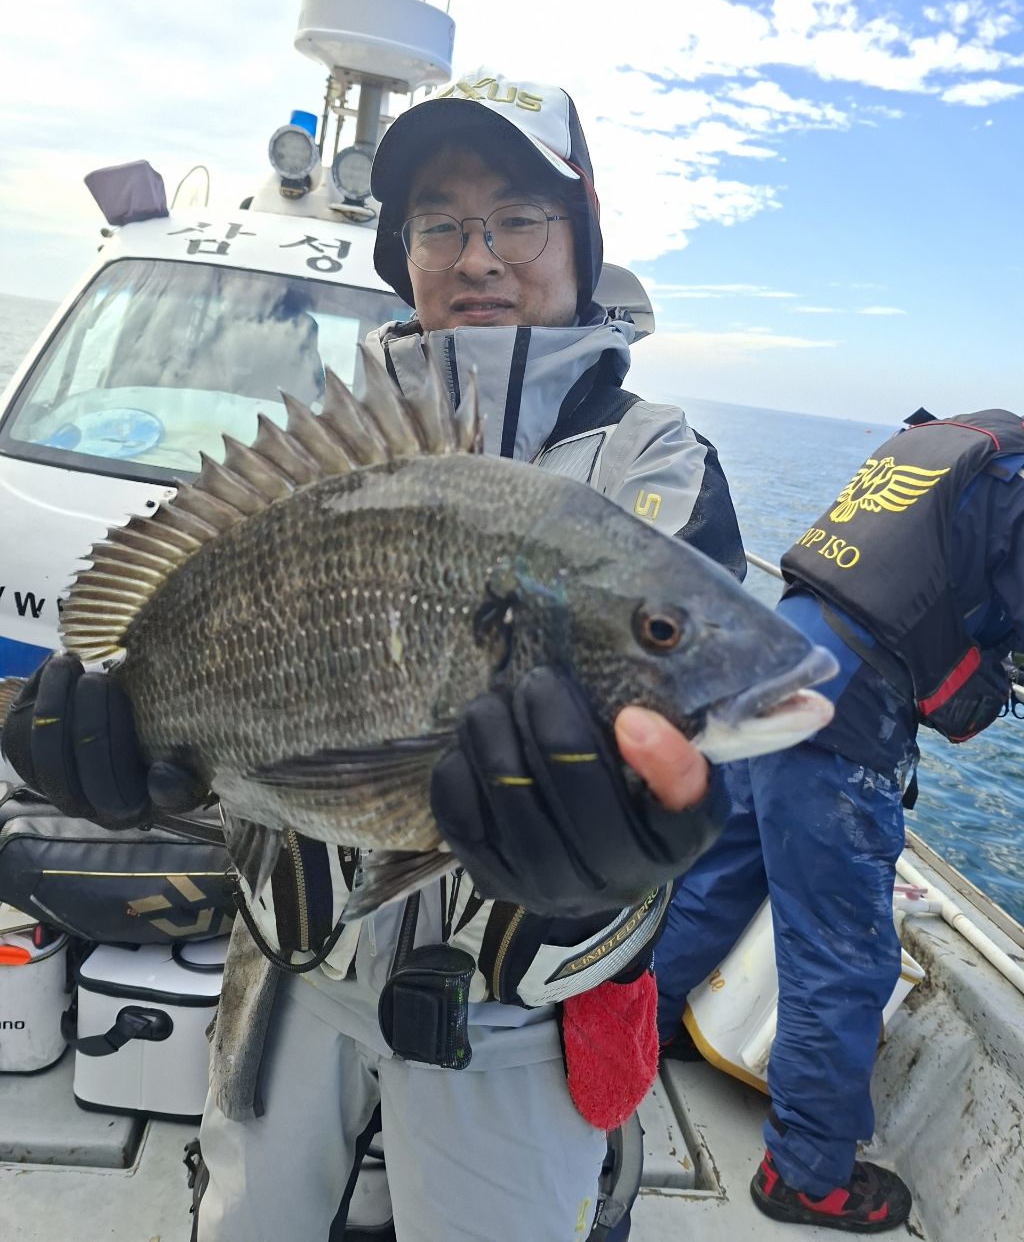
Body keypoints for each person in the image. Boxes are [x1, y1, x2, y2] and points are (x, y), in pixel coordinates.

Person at [2, 71, 746, 1242]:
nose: (476, 255)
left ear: (582, 233)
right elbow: (252, 741)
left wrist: (642, 841)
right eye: (439, 224)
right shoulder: (325, 451)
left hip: (515, 1021)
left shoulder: (659, 469)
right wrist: (135, 766)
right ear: (404, 254)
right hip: (289, 969)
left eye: (516, 216)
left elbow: (694, 710)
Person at [654, 407, 1024, 1233]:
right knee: (843, 951)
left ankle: (649, 1022)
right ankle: (806, 1171)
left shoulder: (964, 441)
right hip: (846, 703)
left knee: (720, 871)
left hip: (777, 658)